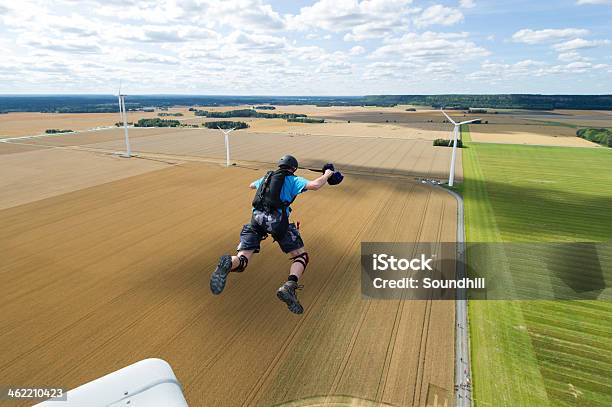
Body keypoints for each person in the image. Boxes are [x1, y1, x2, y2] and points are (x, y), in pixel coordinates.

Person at [210, 155, 338, 314]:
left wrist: (262, 184)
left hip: (256, 220)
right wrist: (327, 174)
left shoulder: (267, 177)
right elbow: (315, 185)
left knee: (243, 260)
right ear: (293, 169)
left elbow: (251, 185)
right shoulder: (292, 180)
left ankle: (229, 261)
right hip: (277, 223)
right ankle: (289, 287)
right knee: (301, 256)